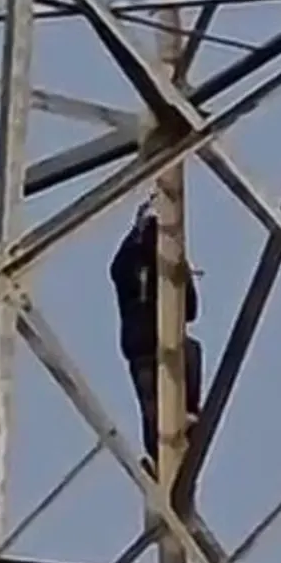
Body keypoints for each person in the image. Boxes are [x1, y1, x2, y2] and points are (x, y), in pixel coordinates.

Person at [108, 197, 203, 481]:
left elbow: (189, 308)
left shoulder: (129, 259)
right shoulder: (148, 260)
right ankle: (180, 424)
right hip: (150, 338)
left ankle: (159, 452)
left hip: (139, 341)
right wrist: (180, 268)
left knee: (150, 400)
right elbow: (191, 309)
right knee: (184, 359)